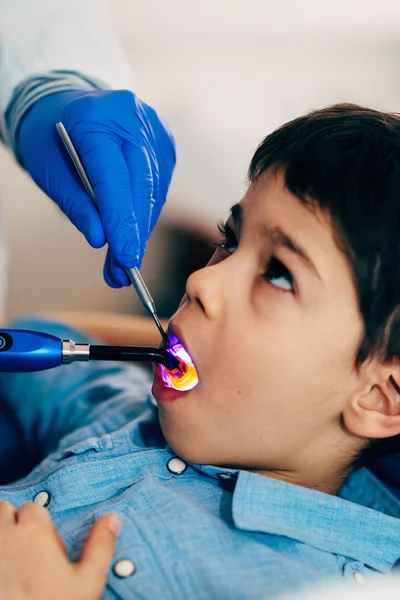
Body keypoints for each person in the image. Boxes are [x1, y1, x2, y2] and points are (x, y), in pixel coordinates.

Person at [0, 103, 399, 599]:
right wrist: (178, 337)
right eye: (228, 241)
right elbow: (31, 335)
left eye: (278, 273)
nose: (201, 279)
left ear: (381, 396)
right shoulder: (127, 406)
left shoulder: (324, 586)